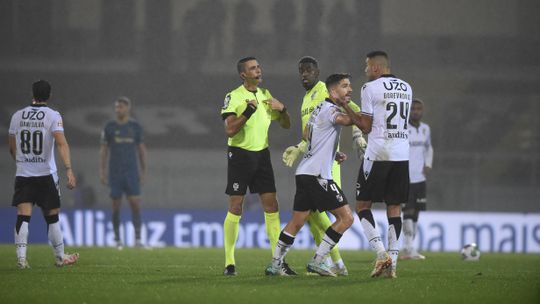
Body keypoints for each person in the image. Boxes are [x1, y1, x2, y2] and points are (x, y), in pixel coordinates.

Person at [282, 56, 366, 275]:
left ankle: (332, 262)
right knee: (319, 217)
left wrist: (358, 137)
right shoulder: (306, 99)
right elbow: (309, 133)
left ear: (317, 72)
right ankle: (328, 261)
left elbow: (355, 110)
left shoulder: (324, 91)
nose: (304, 74)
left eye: (308, 70)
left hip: (324, 168)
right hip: (316, 164)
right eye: (301, 70)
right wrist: (302, 147)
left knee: (321, 216)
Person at [266, 73, 355, 277]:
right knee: (346, 218)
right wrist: (358, 113)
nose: (349, 90)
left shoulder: (317, 109)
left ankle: (275, 264)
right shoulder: (332, 110)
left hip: (304, 172)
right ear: (333, 91)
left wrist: (332, 152)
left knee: (297, 220)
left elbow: (307, 134)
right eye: (345, 86)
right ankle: (318, 260)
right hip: (318, 175)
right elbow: (348, 120)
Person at [339, 51, 413, 279]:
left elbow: (366, 126)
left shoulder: (369, 88)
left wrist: (346, 106)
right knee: (395, 208)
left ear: (375, 68)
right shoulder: (407, 87)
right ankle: (394, 263)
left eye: (366, 66)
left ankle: (381, 254)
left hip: (378, 152)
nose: (365, 70)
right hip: (402, 154)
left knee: (362, 206)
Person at [220, 57, 291, 276]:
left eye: (259, 66)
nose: (258, 70)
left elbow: (286, 125)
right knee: (236, 206)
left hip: (262, 155)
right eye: (253, 68)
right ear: (243, 75)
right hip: (240, 155)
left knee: (272, 206)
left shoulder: (265, 95)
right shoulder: (234, 96)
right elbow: (230, 130)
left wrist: (283, 109)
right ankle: (229, 263)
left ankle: (277, 261)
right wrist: (248, 112)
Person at [9, 80, 79, 269]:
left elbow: (12, 146)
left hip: (24, 174)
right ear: (49, 95)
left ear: (32, 93)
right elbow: (62, 144)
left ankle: (21, 259)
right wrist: (69, 169)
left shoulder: (17, 116)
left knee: (23, 216)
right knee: (52, 216)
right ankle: (59, 256)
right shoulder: (52, 116)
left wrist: (22, 161)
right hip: (46, 174)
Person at [100, 97, 147, 249]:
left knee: (135, 204)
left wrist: (143, 170)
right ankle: (117, 239)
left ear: (127, 108)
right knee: (115, 205)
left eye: (120, 107)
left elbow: (141, 150)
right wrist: (102, 170)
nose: (117, 110)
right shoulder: (109, 126)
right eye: (116, 107)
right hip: (115, 172)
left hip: (131, 172)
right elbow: (104, 150)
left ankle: (138, 240)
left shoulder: (135, 126)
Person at [401, 98, 433, 260]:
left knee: (416, 213)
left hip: (420, 178)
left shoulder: (426, 129)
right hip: (406, 178)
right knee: (408, 211)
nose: (416, 112)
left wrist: (428, 164)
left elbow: (429, 148)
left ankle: (409, 247)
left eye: (418, 109)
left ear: (422, 111)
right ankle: (408, 248)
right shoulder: (403, 129)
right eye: (413, 109)